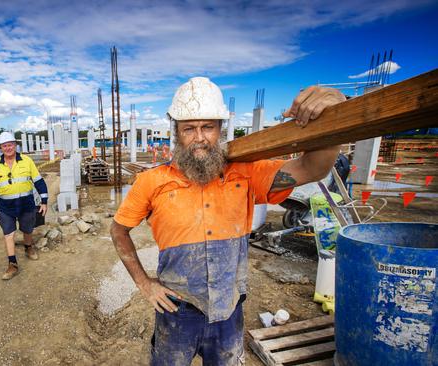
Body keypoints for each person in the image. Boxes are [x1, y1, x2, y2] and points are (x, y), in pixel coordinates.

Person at [110, 77, 345, 365]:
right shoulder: (151, 182)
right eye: (189, 129)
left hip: (229, 311)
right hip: (176, 310)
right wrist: (145, 284)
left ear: (220, 129)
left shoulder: (245, 174)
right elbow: (118, 230)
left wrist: (335, 111)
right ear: (176, 133)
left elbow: (313, 167)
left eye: (208, 127)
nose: (199, 137)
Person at [0, 132, 48, 280]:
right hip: (6, 207)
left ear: (15, 145)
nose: (8, 148)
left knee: (27, 229)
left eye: (10, 145)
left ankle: (28, 247)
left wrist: (44, 201)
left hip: (26, 204)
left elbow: (38, 181)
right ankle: (12, 264)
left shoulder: (26, 161)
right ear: (1, 147)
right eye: (5, 146)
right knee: (8, 233)